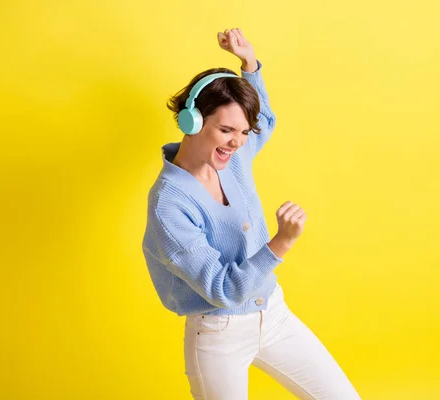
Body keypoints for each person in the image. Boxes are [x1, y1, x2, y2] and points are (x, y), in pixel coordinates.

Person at [142, 28, 361, 400]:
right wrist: (280, 243)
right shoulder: (169, 204)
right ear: (191, 122)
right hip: (218, 333)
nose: (237, 142)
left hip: (274, 314)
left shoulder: (234, 155)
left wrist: (250, 65)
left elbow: (267, 121)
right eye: (226, 130)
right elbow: (223, 289)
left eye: (243, 132)